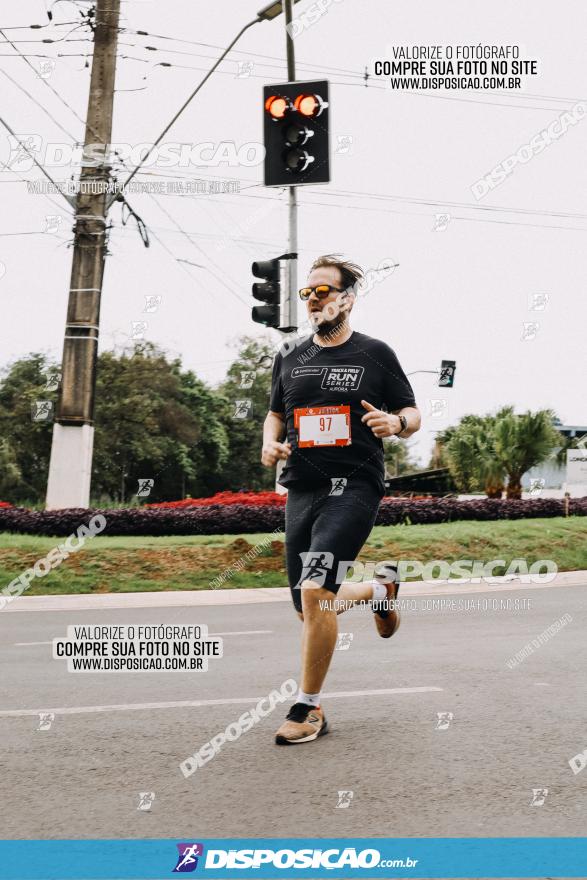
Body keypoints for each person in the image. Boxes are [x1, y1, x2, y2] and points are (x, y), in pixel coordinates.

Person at [261, 254, 421, 745]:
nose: (313, 300)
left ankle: (307, 708)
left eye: (323, 291)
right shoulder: (290, 355)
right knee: (309, 607)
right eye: (307, 293)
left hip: (355, 485)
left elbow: (411, 412)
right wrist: (269, 442)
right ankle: (379, 592)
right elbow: (274, 415)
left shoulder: (376, 353)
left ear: (347, 298)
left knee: (315, 592)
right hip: (303, 486)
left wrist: (395, 424)